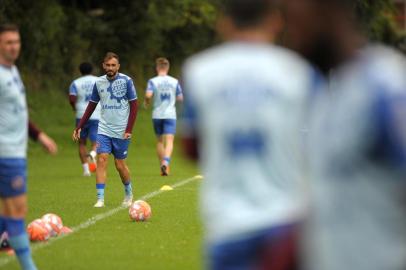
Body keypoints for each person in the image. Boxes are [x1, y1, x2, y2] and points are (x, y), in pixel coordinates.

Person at [181, 0, 318, 269]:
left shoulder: (199, 70)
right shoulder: (299, 72)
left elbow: (191, 148)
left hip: (228, 223)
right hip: (285, 221)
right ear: (275, 21)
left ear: (223, 22)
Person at [282, 1, 406, 269]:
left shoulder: (383, 87)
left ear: (327, 12)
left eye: (295, 21)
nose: (291, 34)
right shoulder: (324, 101)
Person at [0, 23, 58, 270]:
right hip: (6, 152)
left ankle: (4, 240)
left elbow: (18, 112)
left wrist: (39, 135)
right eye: (8, 42)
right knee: (17, 211)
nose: (14, 47)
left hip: (15, 151)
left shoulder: (12, 71)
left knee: (8, 207)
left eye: (17, 41)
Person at [72, 52, 138, 208]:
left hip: (122, 131)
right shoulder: (99, 83)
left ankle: (128, 192)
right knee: (102, 160)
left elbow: (134, 106)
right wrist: (79, 126)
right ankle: (100, 199)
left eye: (113, 65)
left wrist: (129, 129)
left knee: (120, 165)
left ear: (118, 66)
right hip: (104, 129)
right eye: (107, 65)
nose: (110, 68)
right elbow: (91, 105)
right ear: (103, 66)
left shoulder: (126, 81)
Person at [144, 57, 183, 176]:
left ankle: (163, 165)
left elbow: (148, 94)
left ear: (157, 68)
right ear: (167, 68)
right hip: (170, 114)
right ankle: (166, 163)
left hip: (157, 114)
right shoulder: (174, 81)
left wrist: (146, 102)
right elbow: (180, 98)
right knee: (170, 140)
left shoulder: (153, 81)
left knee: (160, 141)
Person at [69, 62, 100, 176]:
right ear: (92, 70)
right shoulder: (98, 80)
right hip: (96, 113)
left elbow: (72, 98)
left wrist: (74, 107)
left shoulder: (75, 83)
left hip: (81, 114)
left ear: (80, 71)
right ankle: (92, 153)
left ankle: (86, 170)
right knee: (96, 141)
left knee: (81, 143)